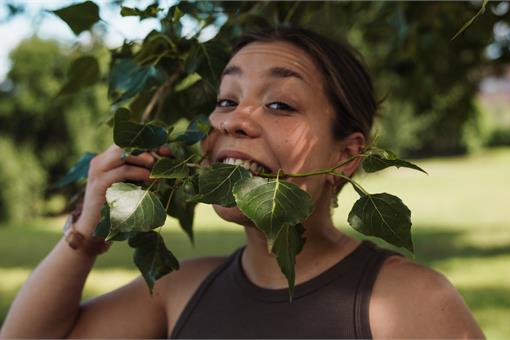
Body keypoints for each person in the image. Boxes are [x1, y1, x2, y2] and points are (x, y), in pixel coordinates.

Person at [0, 26, 485, 339]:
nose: (235, 121)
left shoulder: (408, 303)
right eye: (228, 100)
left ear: (345, 156)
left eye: (280, 104)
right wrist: (88, 232)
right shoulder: (181, 290)